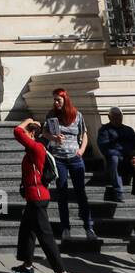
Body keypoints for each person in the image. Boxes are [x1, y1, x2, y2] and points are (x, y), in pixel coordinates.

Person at [12, 117, 70, 273]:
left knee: (45, 236)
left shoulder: (36, 147)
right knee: (27, 231)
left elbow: (17, 131)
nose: (25, 134)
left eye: (27, 132)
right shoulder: (34, 148)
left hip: (38, 197)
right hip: (34, 197)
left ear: (32, 133)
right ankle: (27, 265)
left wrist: (27, 120)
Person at [46, 89, 96, 239]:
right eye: (54, 100)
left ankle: (88, 227)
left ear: (65, 100)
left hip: (75, 158)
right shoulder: (51, 115)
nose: (55, 103)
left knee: (81, 192)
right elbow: (45, 133)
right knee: (62, 192)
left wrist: (81, 150)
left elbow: (84, 135)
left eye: (58, 100)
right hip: (59, 158)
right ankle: (65, 228)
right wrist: (54, 138)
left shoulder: (77, 115)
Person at [97, 108, 135, 203]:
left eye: (120, 117)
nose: (118, 119)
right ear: (109, 117)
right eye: (115, 117)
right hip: (115, 159)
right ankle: (118, 192)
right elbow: (104, 148)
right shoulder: (104, 130)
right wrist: (122, 153)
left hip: (128, 158)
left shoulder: (128, 130)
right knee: (114, 158)